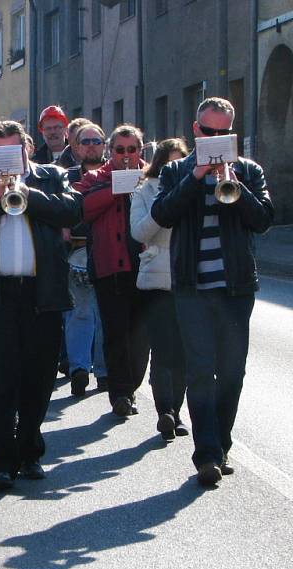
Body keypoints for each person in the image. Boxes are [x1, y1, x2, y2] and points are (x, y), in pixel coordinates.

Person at [0, 120, 81, 492]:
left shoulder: (51, 176)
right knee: (0, 382)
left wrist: (28, 194)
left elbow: (72, 211)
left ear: (26, 149)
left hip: (43, 294)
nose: (7, 161)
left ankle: (31, 452)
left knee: (39, 380)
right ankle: (3, 462)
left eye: (13, 151)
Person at [151, 97, 273, 486]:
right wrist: (196, 175)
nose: (216, 139)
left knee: (232, 373)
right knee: (201, 370)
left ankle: (221, 443)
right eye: (209, 132)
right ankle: (207, 454)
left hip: (236, 289)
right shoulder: (174, 171)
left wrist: (236, 186)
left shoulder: (249, 170)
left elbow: (264, 221)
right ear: (195, 129)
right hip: (192, 288)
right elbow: (162, 214)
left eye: (224, 134)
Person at [76, 124, 150, 418]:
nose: (126, 155)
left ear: (140, 150)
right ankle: (120, 393)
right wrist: (115, 188)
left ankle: (131, 386)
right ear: (111, 151)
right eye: (120, 150)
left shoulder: (152, 175)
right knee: (116, 333)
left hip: (146, 268)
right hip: (111, 267)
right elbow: (80, 208)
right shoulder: (96, 177)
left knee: (141, 336)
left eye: (132, 149)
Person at [131, 138, 191, 442]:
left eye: (181, 161)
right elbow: (139, 231)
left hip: (188, 277)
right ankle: (163, 411)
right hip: (156, 279)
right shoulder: (145, 190)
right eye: (169, 163)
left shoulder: (195, 186)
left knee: (182, 352)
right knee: (162, 350)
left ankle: (176, 413)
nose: (175, 168)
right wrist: (166, 206)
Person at [64, 123, 108, 397]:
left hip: (108, 252)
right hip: (76, 253)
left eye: (96, 141)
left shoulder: (114, 174)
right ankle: (79, 369)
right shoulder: (65, 176)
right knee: (79, 313)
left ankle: (104, 373)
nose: (91, 145)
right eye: (85, 141)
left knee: (105, 315)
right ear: (76, 147)